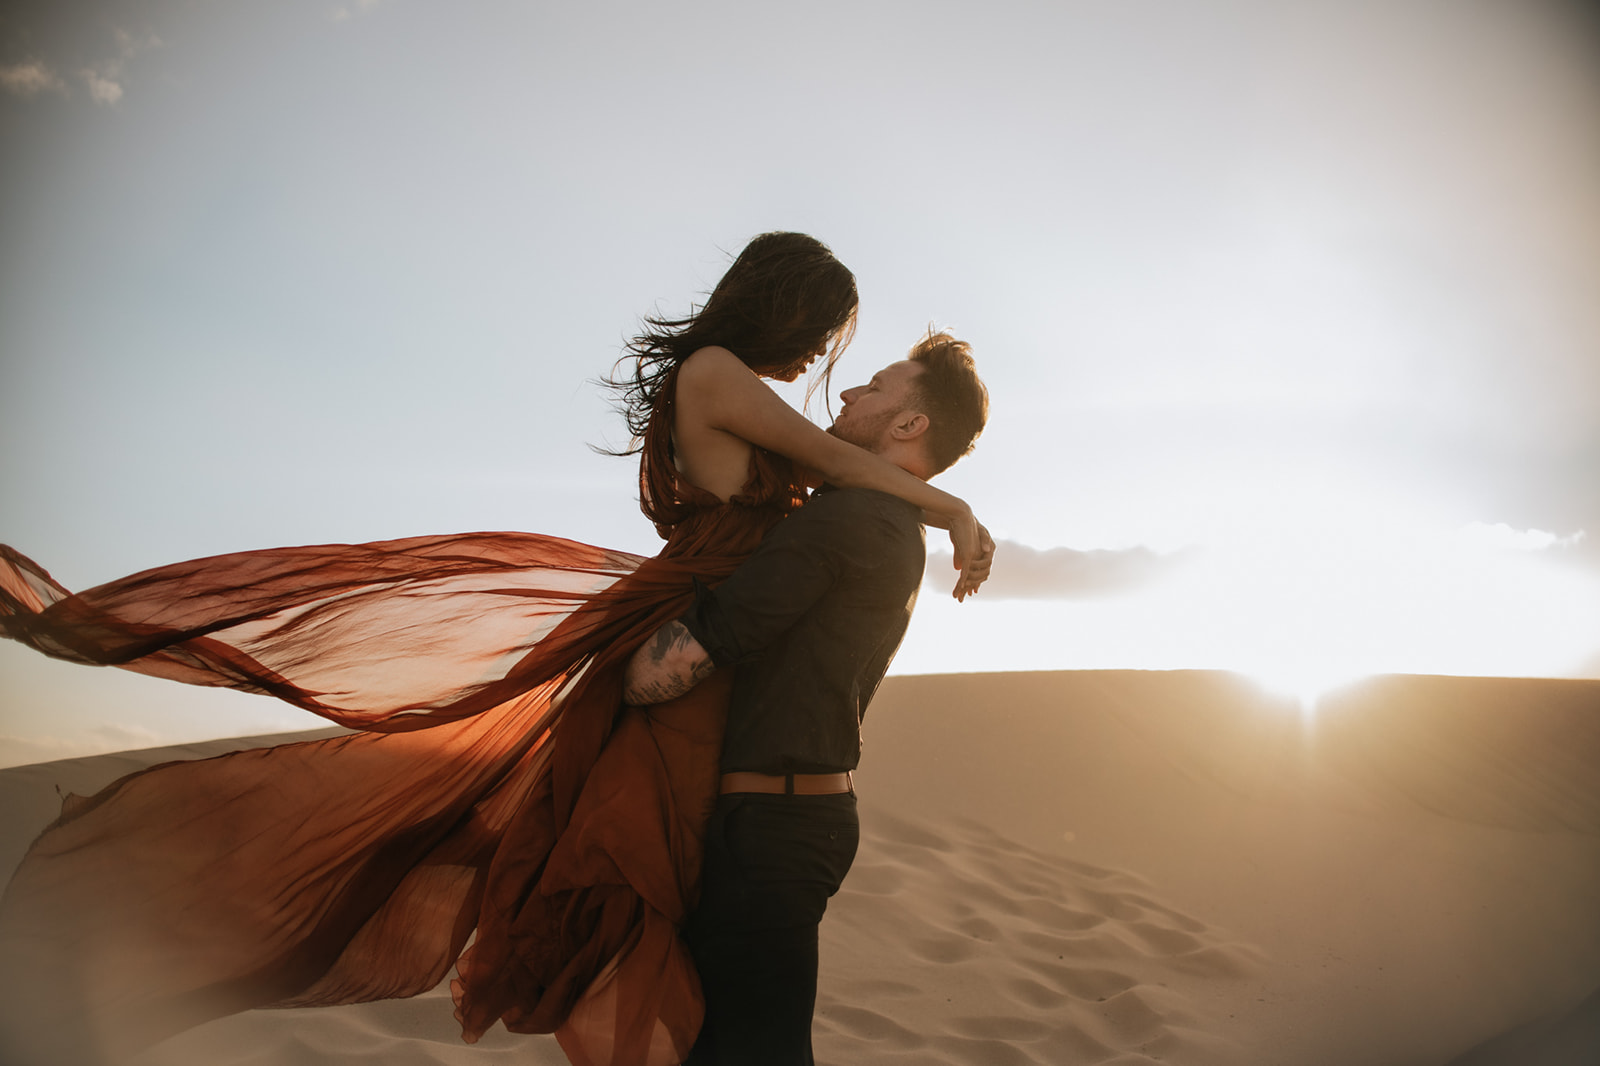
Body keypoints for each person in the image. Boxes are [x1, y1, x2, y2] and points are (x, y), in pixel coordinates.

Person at [0, 232, 990, 1066]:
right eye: (822, 333)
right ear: (782, 308)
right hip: (690, 659)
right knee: (637, 879)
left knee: (668, 903)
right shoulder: (718, 374)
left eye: (846, 353)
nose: (827, 363)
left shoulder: (749, 404)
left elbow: (818, 484)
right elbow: (821, 463)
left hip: (714, 680)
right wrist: (946, 502)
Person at [621, 331, 989, 1064]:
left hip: (773, 829)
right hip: (792, 817)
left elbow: (703, 645)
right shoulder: (889, 523)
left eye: (876, 386)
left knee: (754, 1050)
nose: (849, 392)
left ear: (910, 424)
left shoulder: (847, 519)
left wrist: (618, 671)